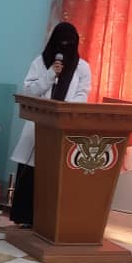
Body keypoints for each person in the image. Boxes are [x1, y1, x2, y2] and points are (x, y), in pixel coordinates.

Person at [9, 22, 90, 227]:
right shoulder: (40, 62)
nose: (65, 47)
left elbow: (82, 94)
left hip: (64, 127)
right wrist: (50, 73)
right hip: (39, 126)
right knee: (31, 173)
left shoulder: (82, 67)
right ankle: (25, 218)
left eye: (69, 43)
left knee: (55, 175)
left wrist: (66, 112)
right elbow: (29, 91)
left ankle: (49, 221)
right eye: (61, 42)